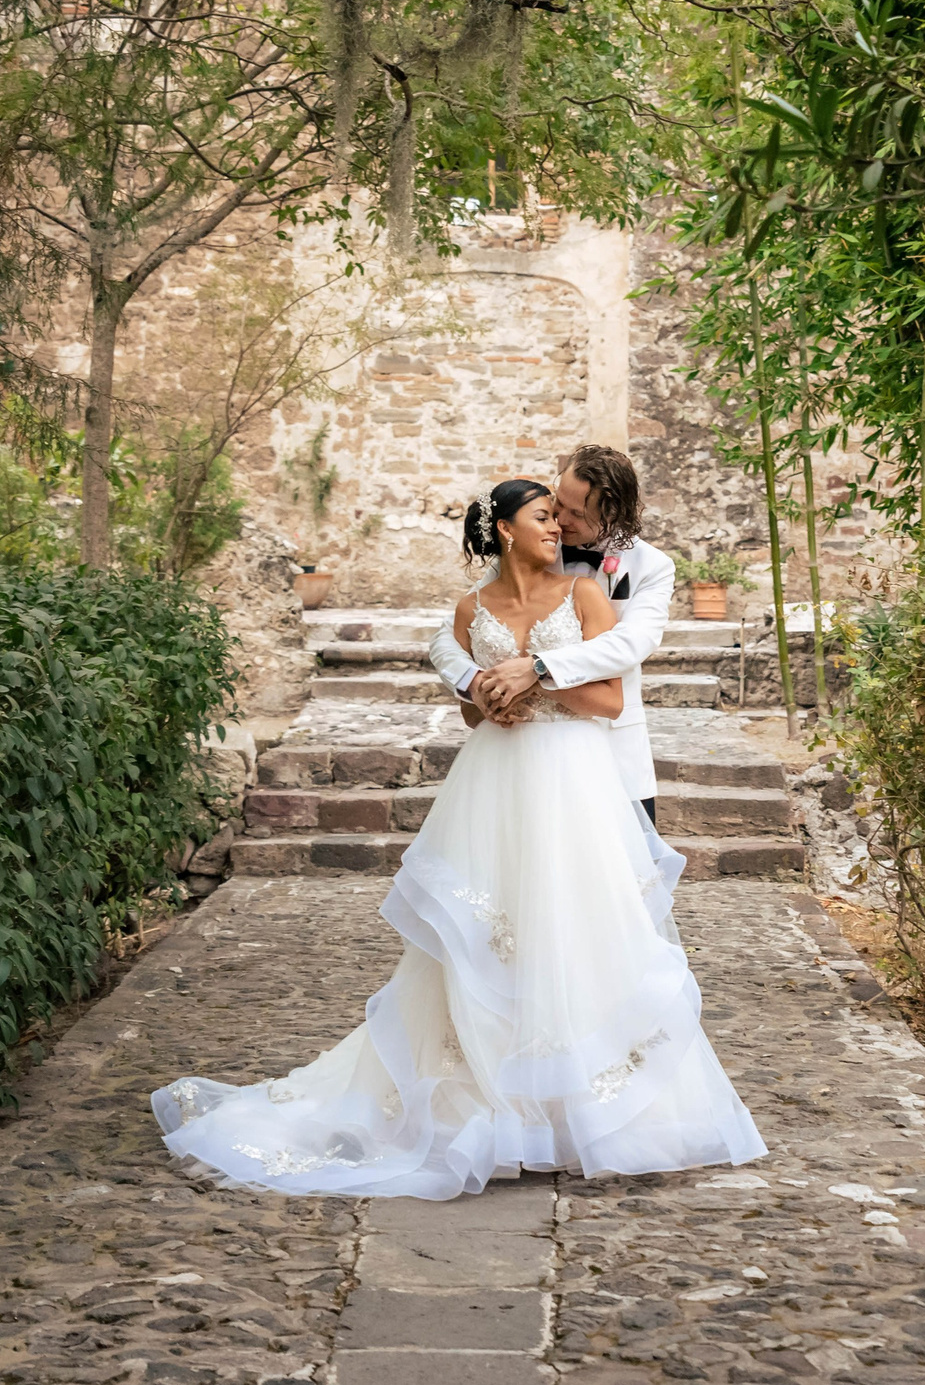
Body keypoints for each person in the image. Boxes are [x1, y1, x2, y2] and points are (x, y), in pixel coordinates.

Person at [150, 477, 765, 1197]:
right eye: (543, 516)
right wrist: (487, 699)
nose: (556, 528)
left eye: (558, 517)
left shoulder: (584, 594)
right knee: (488, 934)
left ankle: (579, 1112)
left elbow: (608, 699)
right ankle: (491, 1103)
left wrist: (535, 681)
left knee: (577, 927)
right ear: (504, 528)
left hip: (573, 780)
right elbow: (473, 713)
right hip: (495, 781)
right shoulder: (471, 609)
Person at [427, 445, 673, 823]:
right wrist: (473, 682)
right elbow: (450, 632)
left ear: (613, 515)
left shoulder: (652, 566)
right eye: (560, 503)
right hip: (523, 749)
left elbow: (630, 643)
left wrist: (539, 667)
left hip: (611, 735)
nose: (560, 519)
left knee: (627, 854)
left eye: (577, 514)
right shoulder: (532, 545)